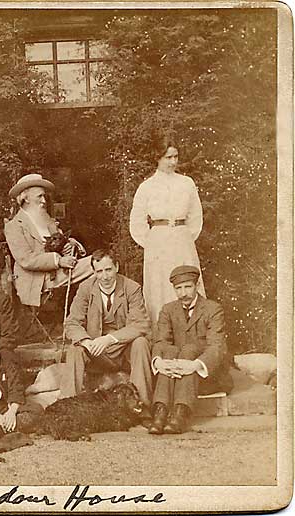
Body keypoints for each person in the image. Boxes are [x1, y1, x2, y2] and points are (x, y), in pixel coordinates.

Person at [59, 249, 153, 424]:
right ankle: (68, 407)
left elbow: (141, 324)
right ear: (94, 272)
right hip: (96, 353)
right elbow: (72, 322)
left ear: (116, 267)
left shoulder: (131, 288)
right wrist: (86, 341)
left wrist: (109, 339)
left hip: (124, 351)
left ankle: (143, 408)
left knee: (141, 343)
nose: (105, 276)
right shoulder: (86, 288)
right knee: (75, 350)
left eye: (108, 269)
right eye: (99, 271)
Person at [129, 136, 206, 324]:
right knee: (160, 287)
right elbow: (137, 221)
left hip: (182, 240)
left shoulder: (186, 183)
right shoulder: (146, 187)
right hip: (158, 244)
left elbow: (195, 217)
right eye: (168, 157)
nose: (173, 162)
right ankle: (161, 338)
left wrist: (184, 237)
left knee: (186, 280)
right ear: (158, 158)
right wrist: (153, 242)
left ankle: (192, 334)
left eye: (176, 157)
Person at [149, 265, 233, 435]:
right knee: (170, 351)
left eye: (188, 287)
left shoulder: (212, 309)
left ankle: (181, 413)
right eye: (178, 288)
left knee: (189, 350)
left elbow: (216, 347)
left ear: (197, 285)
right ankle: (161, 411)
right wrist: (160, 362)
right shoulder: (168, 310)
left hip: (205, 375)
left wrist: (194, 365)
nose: (183, 293)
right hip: (176, 372)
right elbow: (161, 341)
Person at [4, 173, 94, 308]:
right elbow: (26, 260)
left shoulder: (47, 220)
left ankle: (86, 315)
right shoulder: (14, 226)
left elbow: (62, 241)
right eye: (39, 196)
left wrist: (69, 245)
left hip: (59, 273)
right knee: (97, 265)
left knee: (100, 264)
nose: (44, 201)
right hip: (37, 281)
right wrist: (58, 260)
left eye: (44, 196)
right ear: (26, 198)